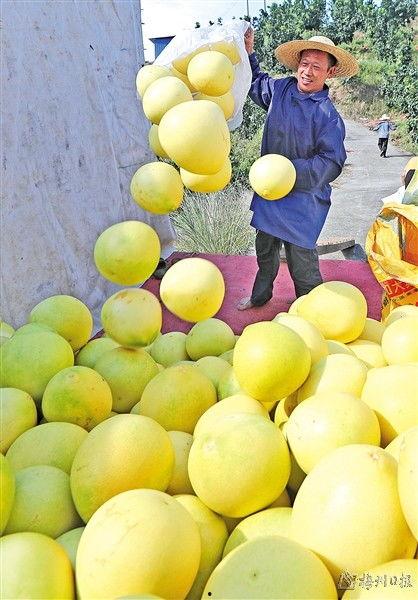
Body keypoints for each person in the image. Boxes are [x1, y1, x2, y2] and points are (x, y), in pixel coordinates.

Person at [237, 32, 359, 310]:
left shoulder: (328, 116)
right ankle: (259, 297)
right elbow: (254, 82)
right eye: (304, 64)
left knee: (302, 261)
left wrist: (288, 172)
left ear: (330, 72)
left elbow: (331, 161)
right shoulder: (280, 90)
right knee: (265, 249)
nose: (307, 72)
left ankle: (312, 310)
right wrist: (248, 52)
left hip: (304, 199)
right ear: (297, 65)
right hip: (271, 193)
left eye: (316, 66)